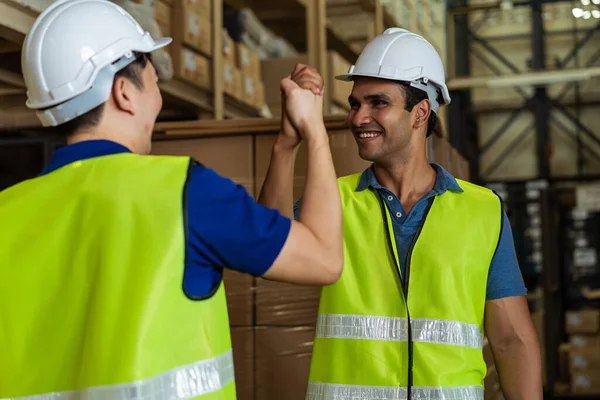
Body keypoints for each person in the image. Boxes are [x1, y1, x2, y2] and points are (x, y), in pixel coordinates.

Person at [0, 0, 343, 398]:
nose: (158, 97)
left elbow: (268, 244)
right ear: (124, 92)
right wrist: (314, 129)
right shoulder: (185, 191)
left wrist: (286, 146)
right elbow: (321, 258)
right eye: (154, 81)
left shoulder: (8, 211)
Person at [259, 28, 543, 399]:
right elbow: (267, 252)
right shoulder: (334, 199)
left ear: (421, 111)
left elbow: (511, 340)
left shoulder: (482, 209)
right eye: (354, 104)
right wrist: (287, 142)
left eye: (378, 103)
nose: (359, 118)